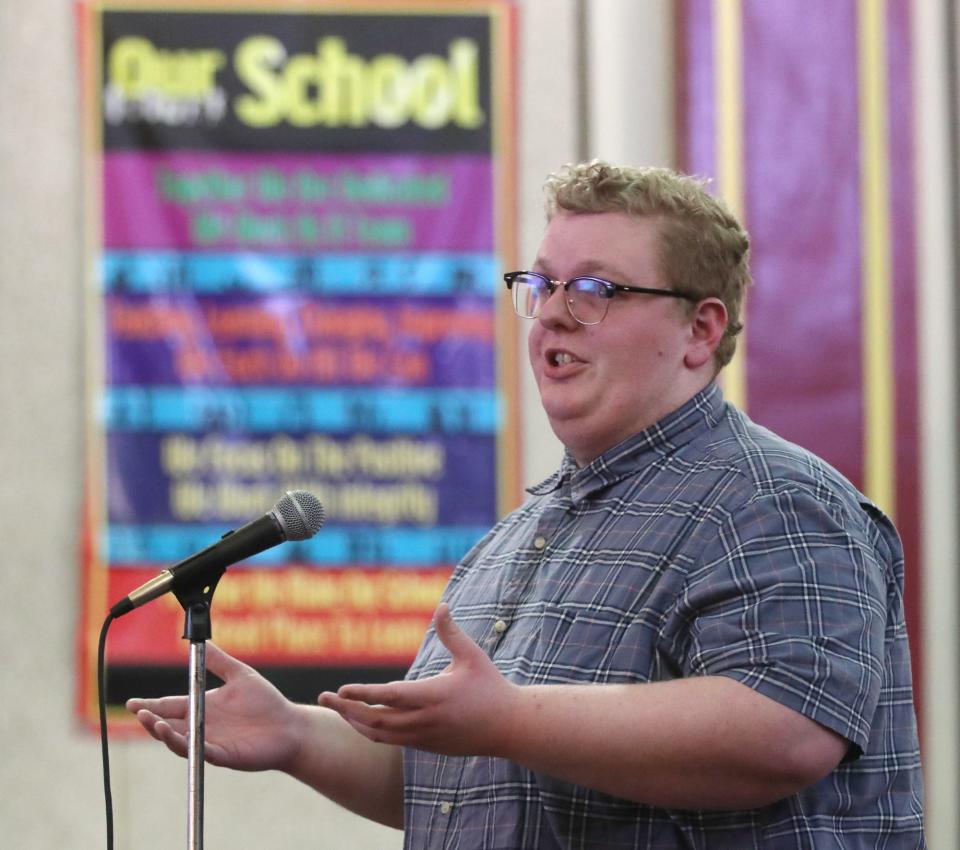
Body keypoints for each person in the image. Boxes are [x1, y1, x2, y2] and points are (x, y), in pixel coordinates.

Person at [128, 160, 926, 848]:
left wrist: (507, 717)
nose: (549, 312)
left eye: (595, 289)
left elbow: (783, 731)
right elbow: (459, 782)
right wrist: (299, 735)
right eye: (540, 284)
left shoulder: (777, 502)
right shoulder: (516, 539)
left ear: (699, 329)